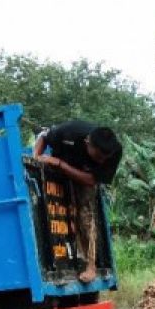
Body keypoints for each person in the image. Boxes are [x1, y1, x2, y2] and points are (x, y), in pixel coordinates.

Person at [32, 121, 123, 282]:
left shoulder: (115, 151)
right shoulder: (69, 132)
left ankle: (90, 266)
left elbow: (91, 180)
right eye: (98, 157)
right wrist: (36, 160)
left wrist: (61, 165)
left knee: (86, 214)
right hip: (57, 166)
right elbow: (44, 136)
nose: (102, 161)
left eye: (105, 158)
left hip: (82, 176)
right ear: (87, 143)